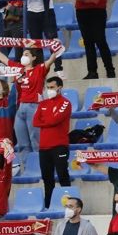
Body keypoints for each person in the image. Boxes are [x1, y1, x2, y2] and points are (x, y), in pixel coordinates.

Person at [32, 75, 72, 210]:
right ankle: (49, 207)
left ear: (59, 88)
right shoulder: (43, 104)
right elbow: (35, 122)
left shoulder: (66, 103)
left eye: (52, 87)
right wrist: (48, 122)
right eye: (47, 87)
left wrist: (45, 122)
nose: (49, 90)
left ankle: (70, 206)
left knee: (63, 176)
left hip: (59, 146)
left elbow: (55, 120)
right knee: (47, 180)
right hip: (44, 148)